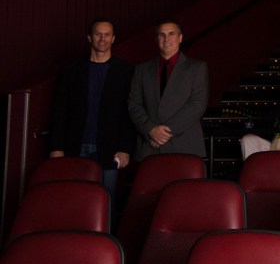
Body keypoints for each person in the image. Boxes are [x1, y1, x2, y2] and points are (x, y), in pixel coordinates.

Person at [49, 19, 135, 199]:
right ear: (89, 38)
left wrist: (125, 148)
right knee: (74, 199)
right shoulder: (70, 70)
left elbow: (129, 113)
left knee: (106, 203)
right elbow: (59, 111)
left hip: (110, 149)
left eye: (107, 34)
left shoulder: (126, 71)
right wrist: (56, 147)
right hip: (75, 146)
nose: (102, 38)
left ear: (113, 39)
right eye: (98, 34)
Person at [128, 20, 209, 160]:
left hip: (184, 147)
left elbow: (197, 105)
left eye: (171, 34)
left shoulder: (197, 68)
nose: (166, 39)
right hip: (149, 147)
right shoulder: (141, 70)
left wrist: (163, 133)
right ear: (156, 39)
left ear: (180, 38)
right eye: (162, 35)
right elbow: (134, 104)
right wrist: (151, 130)